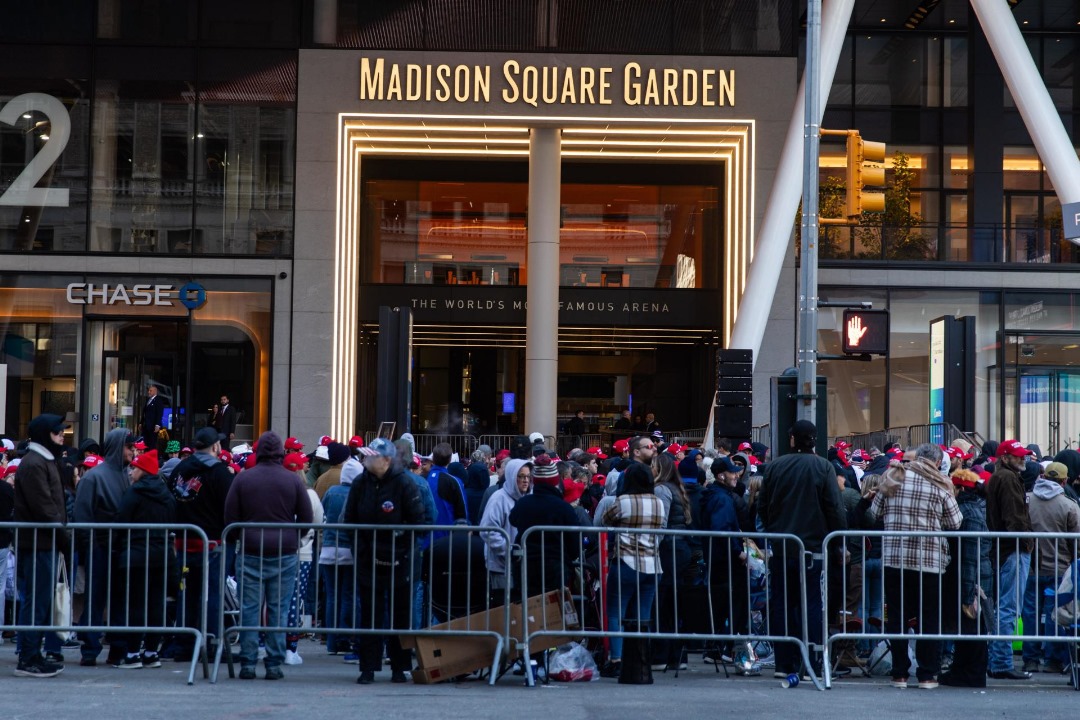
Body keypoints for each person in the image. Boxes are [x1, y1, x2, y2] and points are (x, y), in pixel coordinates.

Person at [757, 420, 847, 680]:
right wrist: (838, 543)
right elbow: (834, 508)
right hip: (813, 550)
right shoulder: (823, 466)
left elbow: (762, 506)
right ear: (814, 440)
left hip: (782, 547)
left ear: (793, 439)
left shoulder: (775, 466)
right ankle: (812, 661)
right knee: (813, 606)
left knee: (782, 604)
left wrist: (774, 530)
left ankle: (784, 663)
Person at [871, 443, 963, 689]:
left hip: (894, 559)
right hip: (929, 562)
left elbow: (875, 510)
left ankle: (899, 673)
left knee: (897, 616)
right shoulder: (941, 483)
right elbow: (955, 523)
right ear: (936, 462)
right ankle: (926, 674)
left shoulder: (894, 476)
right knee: (928, 618)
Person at [225, 431, 314, 680]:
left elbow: (230, 516)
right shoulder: (293, 480)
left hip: (252, 550)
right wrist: (294, 538)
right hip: (284, 552)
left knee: (250, 608)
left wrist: (239, 537)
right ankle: (274, 663)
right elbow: (306, 518)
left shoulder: (243, 479)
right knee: (279, 608)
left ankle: (248, 663)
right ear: (280, 453)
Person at [345, 437, 427, 684]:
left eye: (372, 456)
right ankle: (368, 667)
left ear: (387, 460)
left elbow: (418, 521)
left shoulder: (405, 484)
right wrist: (360, 548)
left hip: (399, 560)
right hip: (369, 559)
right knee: (370, 614)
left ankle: (399, 667)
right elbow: (349, 520)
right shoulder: (361, 483)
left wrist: (402, 548)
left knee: (399, 615)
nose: (366, 460)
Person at [165, 426, 234, 660]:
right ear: (215, 447)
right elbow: (229, 508)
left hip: (184, 541)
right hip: (212, 542)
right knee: (213, 593)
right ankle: (213, 643)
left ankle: (184, 643)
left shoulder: (179, 470)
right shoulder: (220, 473)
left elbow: (172, 501)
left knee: (188, 592)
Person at [13, 413, 69, 678]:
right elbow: (44, 506)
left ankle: (32, 654)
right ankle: (28, 657)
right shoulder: (35, 463)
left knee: (38, 601)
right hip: (38, 543)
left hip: (44, 542)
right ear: (46, 433)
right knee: (35, 601)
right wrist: (63, 534)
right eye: (58, 432)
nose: (62, 437)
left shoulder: (42, 460)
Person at [72, 428, 134, 666]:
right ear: (119, 447)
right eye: (129, 447)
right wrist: (90, 547)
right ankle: (91, 647)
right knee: (97, 598)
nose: (133, 451)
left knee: (117, 599)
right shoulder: (94, 477)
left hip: (117, 547)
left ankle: (114, 647)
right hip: (99, 547)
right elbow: (82, 515)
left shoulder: (127, 475)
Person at [601, 462, 666, 684]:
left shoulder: (623, 502)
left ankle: (617, 659)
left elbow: (604, 519)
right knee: (643, 616)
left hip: (626, 561)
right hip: (652, 563)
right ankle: (640, 659)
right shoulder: (658, 503)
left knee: (616, 612)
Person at [111, 450, 177, 669]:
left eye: (135, 468)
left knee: (136, 604)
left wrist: (118, 547)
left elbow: (121, 520)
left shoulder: (134, 493)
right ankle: (151, 651)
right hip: (162, 555)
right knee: (156, 603)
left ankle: (132, 653)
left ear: (144, 470)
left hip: (136, 554)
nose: (131, 472)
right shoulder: (166, 494)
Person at [1021, 461, 1080, 674]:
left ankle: (1030, 659)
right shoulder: (1069, 505)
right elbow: (1077, 541)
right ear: (1064, 481)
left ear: (1043, 477)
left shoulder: (1027, 500)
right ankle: (1053, 659)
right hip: (1060, 568)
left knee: (1029, 614)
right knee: (1055, 614)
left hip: (1031, 567)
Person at [986, 439, 1035, 680]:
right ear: (1005, 458)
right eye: (1017, 455)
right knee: (1008, 608)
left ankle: (998, 660)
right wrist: (1024, 542)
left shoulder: (1006, 477)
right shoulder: (1006, 479)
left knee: (1005, 607)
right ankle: (1001, 662)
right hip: (1012, 550)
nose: (1023, 458)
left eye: (1023, 455)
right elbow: (1014, 518)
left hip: (1009, 549)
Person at [939, 469, 993, 688]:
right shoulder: (974, 508)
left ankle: (970, 673)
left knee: (971, 627)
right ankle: (962, 670)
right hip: (972, 577)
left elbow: (970, 557)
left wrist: (968, 592)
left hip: (971, 579)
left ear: (959, 488)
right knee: (969, 628)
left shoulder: (968, 513)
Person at [480, 458, 531, 606]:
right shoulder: (498, 499)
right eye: (521, 476)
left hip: (521, 567)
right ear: (511, 476)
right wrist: (509, 550)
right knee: (503, 606)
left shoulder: (528, 498)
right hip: (501, 566)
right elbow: (488, 530)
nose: (525, 480)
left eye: (528, 476)